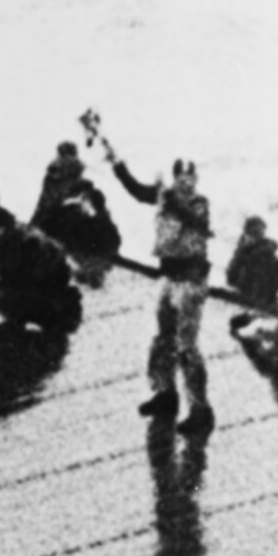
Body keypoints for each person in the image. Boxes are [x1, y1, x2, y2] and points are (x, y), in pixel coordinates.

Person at [106, 140, 215, 433]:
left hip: (190, 280)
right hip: (169, 277)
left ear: (195, 180)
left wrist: (168, 197)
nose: (184, 183)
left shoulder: (198, 205)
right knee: (162, 339)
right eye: (180, 178)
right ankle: (165, 392)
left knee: (187, 347)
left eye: (188, 179)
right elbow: (137, 190)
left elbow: (193, 220)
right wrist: (116, 163)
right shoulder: (165, 198)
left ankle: (200, 408)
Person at [0, 210, 81, 333]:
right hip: (22, 282)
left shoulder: (30, 243)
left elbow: (32, 279)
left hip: (47, 284)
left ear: (2, 228)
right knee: (0, 296)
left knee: (17, 300)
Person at [225, 216, 278, 312]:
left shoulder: (266, 257)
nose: (252, 237)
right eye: (250, 233)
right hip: (243, 298)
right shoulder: (243, 251)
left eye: (257, 233)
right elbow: (231, 277)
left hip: (256, 303)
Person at [32, 142, 87, 223]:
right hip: (60, 205)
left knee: (40, 219)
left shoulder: (57, 165)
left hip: (50, 205)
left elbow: (52, 171)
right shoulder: (77, 171)